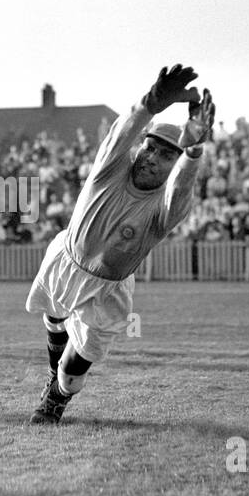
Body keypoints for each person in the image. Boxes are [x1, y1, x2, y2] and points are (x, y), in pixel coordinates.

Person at [25, 64, 216, 424]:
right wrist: (150, 103)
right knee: (53, 314)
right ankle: (53, 374)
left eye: (165, 155)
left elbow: (181, 187)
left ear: (174, 165)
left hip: (108, 291)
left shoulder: (165, 209)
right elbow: (120, 132)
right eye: (149, 148)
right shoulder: (111, 169)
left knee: (72, 375)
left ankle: (58, 395)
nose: (151, 157)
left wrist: (192, 153)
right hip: (65, 260)